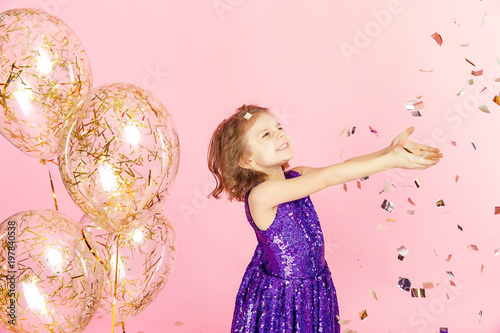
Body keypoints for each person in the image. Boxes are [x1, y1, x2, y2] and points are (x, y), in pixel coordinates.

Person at [207, 104, 442, 332]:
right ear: (247, 161)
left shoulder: (297, 175)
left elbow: (342, 168)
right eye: (266, 135)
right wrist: (392, 161)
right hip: (284, 298)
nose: (280, 134)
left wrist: (388, 152)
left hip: (315, 288)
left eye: (278, 127)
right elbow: (327, 178)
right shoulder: (261, 195)